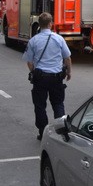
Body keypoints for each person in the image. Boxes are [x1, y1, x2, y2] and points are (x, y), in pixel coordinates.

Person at [23, 12, 72, 140]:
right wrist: (69, 72)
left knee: (40, 105)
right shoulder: (59, 39)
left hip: (40, 78)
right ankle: (62, 132)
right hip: (56, 77)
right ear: (51, 24)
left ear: (39, 24)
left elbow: (29, 62)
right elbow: (67, 58)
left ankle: (43, 132)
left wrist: (35, 72)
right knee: (58, 104)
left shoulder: (33, 40)